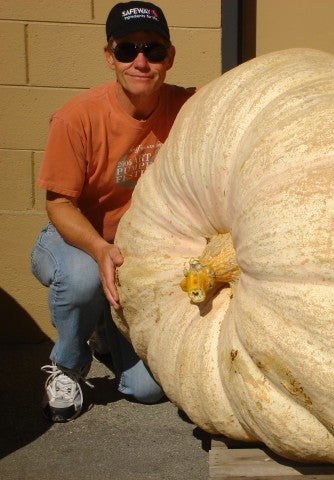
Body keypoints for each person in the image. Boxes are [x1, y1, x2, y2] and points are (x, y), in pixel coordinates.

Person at [30, 1, 196, 422]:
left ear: (169, 58)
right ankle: (67, 366)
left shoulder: (190, 109)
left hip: (137, 252)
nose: (140, 61)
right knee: (83, 278)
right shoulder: (76, 118)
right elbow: (59, 204)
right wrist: (100, 250)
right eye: (127, 50)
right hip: (77, 238)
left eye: (154, 50)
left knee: (148, 391)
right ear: (110, 56)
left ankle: (104, 330)